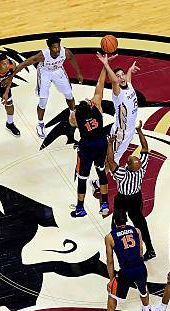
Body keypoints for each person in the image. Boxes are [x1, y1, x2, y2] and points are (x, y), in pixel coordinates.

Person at [9, 36, 84, 139]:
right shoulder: (43, 55)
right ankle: (40, 124)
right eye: (54, 48)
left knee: (69, 94)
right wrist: (11, 76)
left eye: (58, 47)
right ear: (49, 48)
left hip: (58, 70)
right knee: (43, 100)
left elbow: (72, 58)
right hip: (45, 72)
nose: (57, 50)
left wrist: (78, 73)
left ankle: (73, 115)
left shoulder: (64, 51)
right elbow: (25, 63)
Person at [105, 121, 156, 260]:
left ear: (128, 165)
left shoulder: (123, 174)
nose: (132, 156)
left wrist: (110, 144)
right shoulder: (142, 167)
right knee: (140, 222)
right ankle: (150, 249)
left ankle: (115, 244)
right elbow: (145, 147)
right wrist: (139, 131)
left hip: (123, 199)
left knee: (116, 221)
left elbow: (110, 162)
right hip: (136, 198)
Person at [68, 65, 111, 218]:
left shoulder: (76, 117)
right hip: (100, 143)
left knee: (82, 177)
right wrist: (105, 66)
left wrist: (73, 111)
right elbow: (100, 85)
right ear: (91, 105)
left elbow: (71, 123)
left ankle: (80, 208)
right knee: (101, 172)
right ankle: (104, 203)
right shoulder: (97, 107)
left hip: (87, 147)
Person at [98, 209, 151, 311]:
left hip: (126, 272)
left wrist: (112, 279)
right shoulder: (136, 231)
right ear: (127, 219)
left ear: (114, 221)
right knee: (143, 289)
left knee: (112, 294)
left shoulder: (110, 237)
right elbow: (141, 251)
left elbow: (110, 261)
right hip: (140, 267)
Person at [96, 53, 140, 163]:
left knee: (116, 157)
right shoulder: (118, 93)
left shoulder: (129, 85)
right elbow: (115, 81)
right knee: (111, 160)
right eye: (118, 76)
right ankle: (99, 179)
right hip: (121, 133)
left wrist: (130, 69)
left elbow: (128, 78)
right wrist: (106, 64)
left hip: (130, 130)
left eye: (122, 75)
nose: (121, 78)